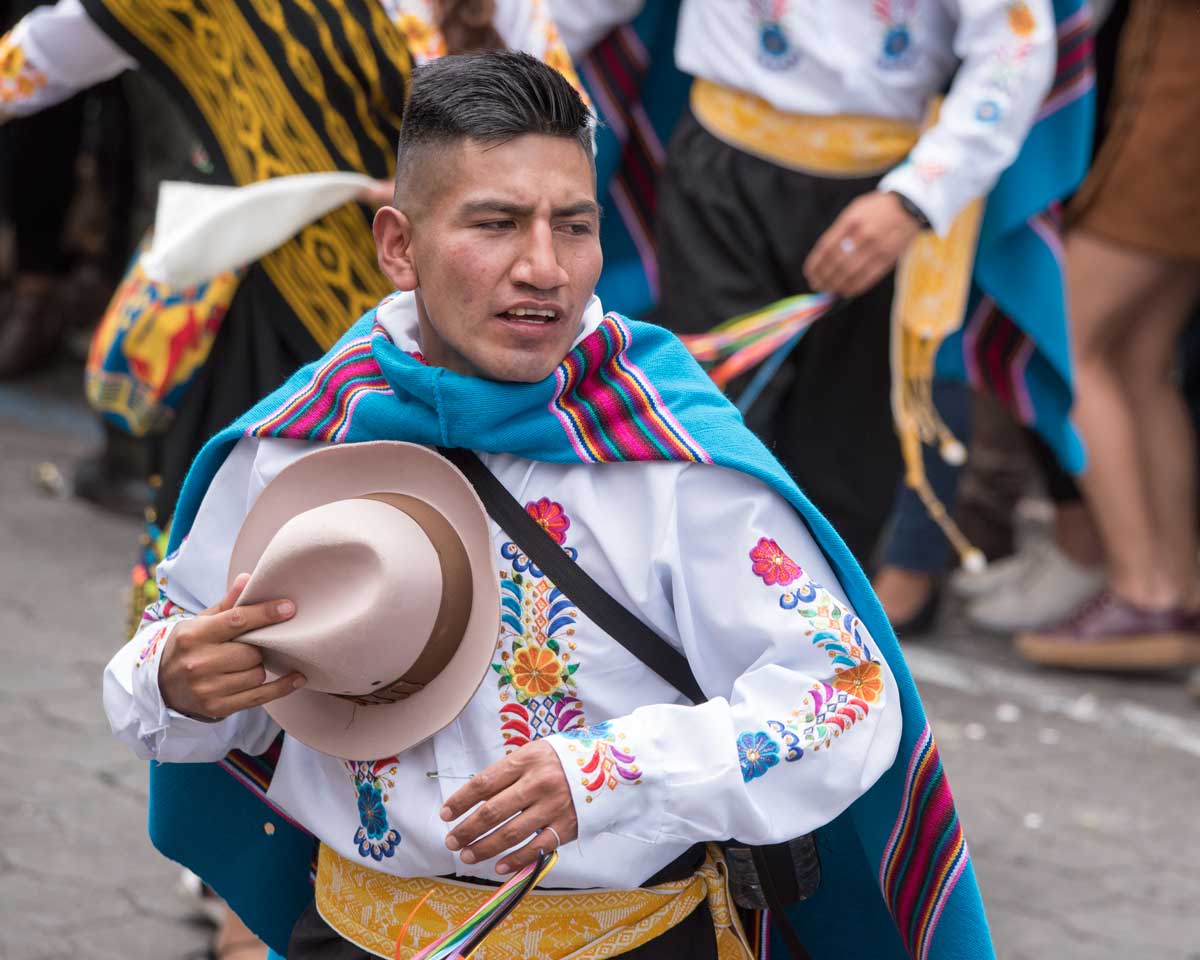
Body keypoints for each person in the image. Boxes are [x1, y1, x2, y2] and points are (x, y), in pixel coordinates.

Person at [104, 52, 994, 960]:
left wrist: (609, 773)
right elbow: (169, 661)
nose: (544, 268)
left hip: (626, 938)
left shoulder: (668, 451)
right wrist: (176, 679)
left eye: (574, 226)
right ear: (398, 246)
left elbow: (845, 693)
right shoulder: (301, 437)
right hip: (348, 934)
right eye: (496, 224)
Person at [1016, 0, 1200, 669]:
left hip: (1177, 113)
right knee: (1139, 355)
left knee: (1069, 337)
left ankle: (1145, 589)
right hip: (1168, 102)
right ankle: (1174, 590)